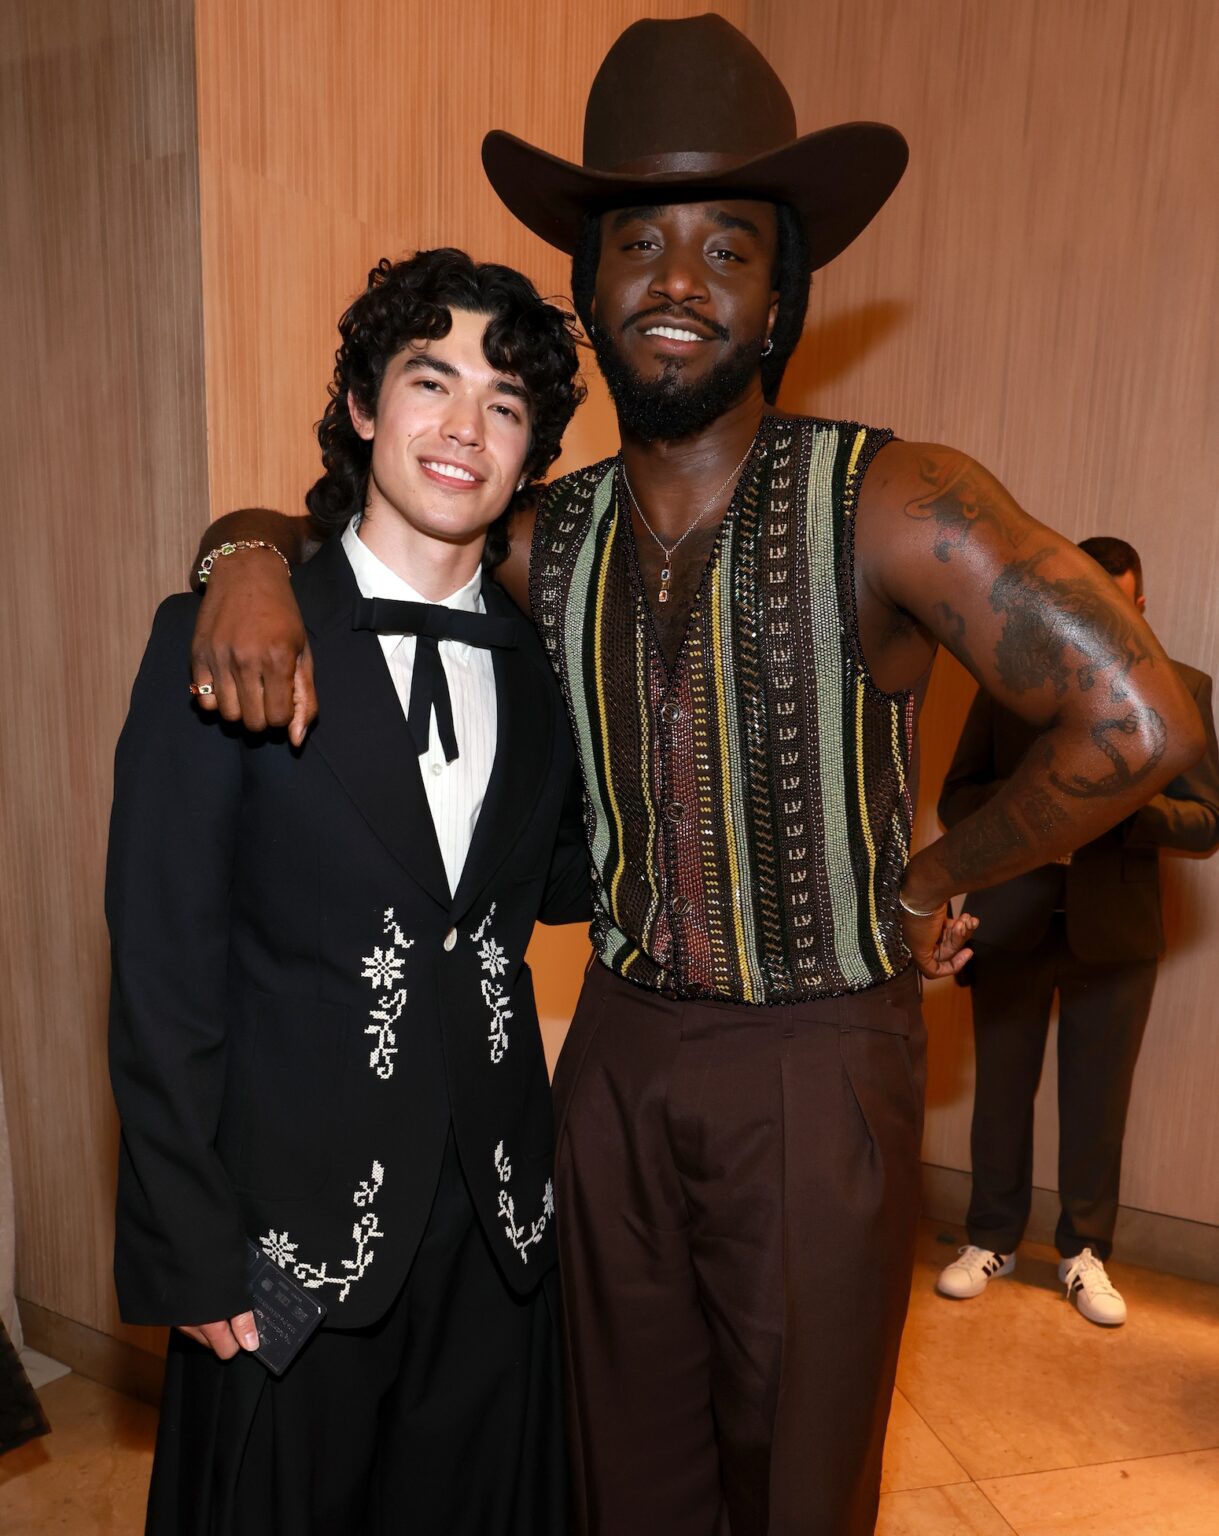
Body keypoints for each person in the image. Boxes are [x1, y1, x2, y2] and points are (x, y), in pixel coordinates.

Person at [179, 17, 1207, 1535]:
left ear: (780, 297)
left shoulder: (891, 498)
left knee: (792, 1478)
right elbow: (354, 518)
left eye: (724, 249)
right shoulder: (542, 532)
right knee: (615, 1465)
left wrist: (927, 876)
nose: (675, 279)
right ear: (586, 293)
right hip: (606, 1058)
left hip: (815, 1062)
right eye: (637, 244)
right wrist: (245, 552)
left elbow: (1136, 723)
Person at [106, 249, 589, 1536]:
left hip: (498, 1235)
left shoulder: (542, 677)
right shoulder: (221, 639)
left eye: (502, 404)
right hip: (288, 1248)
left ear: (528, 449)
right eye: (430, 383)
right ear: (365, 410)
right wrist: (189, 1241)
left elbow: (547, 895)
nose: (462, 428)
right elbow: (159, 969)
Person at [935, 536, 1219, 1325]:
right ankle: (988, 1237)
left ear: (1138, 605)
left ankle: (1083, 1253)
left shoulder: (1183, 689)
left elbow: (1205, 823)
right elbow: (956, 800)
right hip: (1009, 922)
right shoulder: (1006, 682)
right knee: (998, 1093)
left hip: (1115, 931)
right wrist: (1029, 805)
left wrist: (1126, 806)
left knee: (1099, 1103)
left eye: (1116, 599)